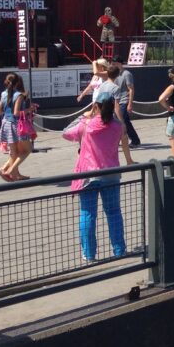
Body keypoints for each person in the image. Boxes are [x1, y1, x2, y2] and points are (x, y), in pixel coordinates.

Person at [63, 91, 126, 262]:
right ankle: (119, 250)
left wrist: (83, 117)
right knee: (114, 212)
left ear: (95, 106)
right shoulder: (118, 126)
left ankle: (89, 254)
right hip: (111, 174)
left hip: (88, 175)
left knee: (87, 213)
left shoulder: (86, 125)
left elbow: (65, 132)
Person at [0, 72, 31, 181]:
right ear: (17, 83)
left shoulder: (3, 94)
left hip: (5, 124)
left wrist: (7, 113)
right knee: (27, 149)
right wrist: (30, 110)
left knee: (14, 151)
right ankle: (11, 169)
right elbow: (16, 113)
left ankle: (14, 174)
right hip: (16, 125)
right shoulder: (19, 95)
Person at [110, 56, 141, 148]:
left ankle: (134, 140)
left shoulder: (127, 74)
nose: (113, 65)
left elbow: (131, 89)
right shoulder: (115, 74)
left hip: (124, 100)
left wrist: (130, 103)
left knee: (122, 120)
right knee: (122, 121)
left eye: (114, 63)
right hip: (116, 101)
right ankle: (134, 140)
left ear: (120, 63)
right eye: (112, 63)